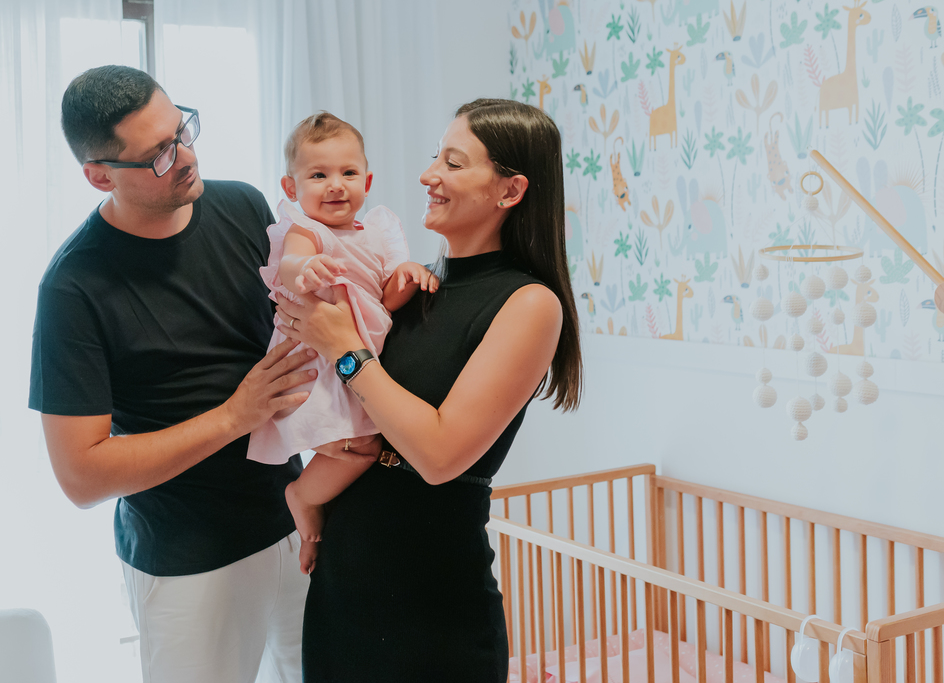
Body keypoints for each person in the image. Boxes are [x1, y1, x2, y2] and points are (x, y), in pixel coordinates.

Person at [276, 98, 583, 682]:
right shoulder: (417, 286)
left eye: (453, 163)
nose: (427, 175)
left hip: (432, 610)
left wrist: (345, 347)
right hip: (344, 588)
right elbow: (361, 407)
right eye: (434, 157)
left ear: (510, 190)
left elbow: (439, 456)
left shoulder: (528, 303)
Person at [29, 65, 316, 683]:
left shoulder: (243, 206)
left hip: (297, 520)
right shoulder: (73, 288)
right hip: (188, 560)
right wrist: (234, 416)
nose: (184, 157)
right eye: (157, 154)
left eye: (182, 131)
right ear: (100, 175)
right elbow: (81, 475)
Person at [246, 112, 438, 575]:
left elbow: (386, 299)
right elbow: (290, 264)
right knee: (360, 447)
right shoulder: (306, 230)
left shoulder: (378, 233)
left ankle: (314, 512)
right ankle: (302, 496)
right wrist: (305, 268)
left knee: (362, 447)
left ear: (366, 181)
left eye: (348, 173)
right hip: (315, 361)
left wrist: (408, 275)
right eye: (318, 175)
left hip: (360, 354)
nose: (336, 185)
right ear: (291, 188)